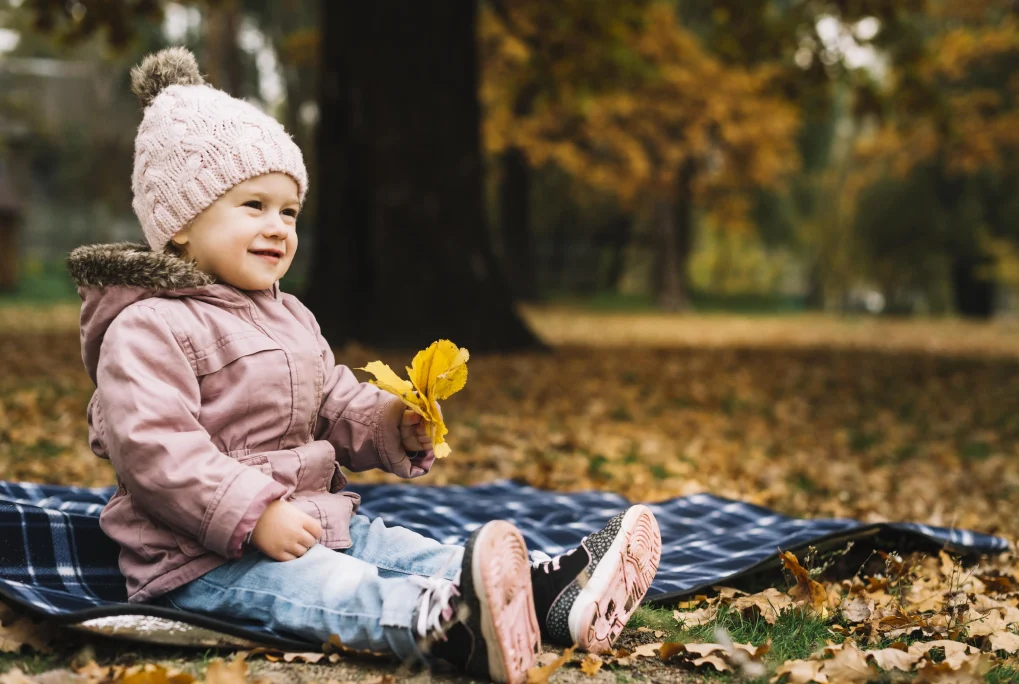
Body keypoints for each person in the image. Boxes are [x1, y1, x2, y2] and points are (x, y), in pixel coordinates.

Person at [68, 47, 662, 684]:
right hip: (203, 558)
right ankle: (450, 628)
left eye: (289, 211)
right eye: (252, 206)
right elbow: (156, 449)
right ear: (180, 225)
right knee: (338, 586)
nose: (278, 227)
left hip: (314, 518)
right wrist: (253, 515)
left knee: (402, 549)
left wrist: (388, 423)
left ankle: (549, 598)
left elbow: (333, 401)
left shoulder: (288, 314)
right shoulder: (145, 327)